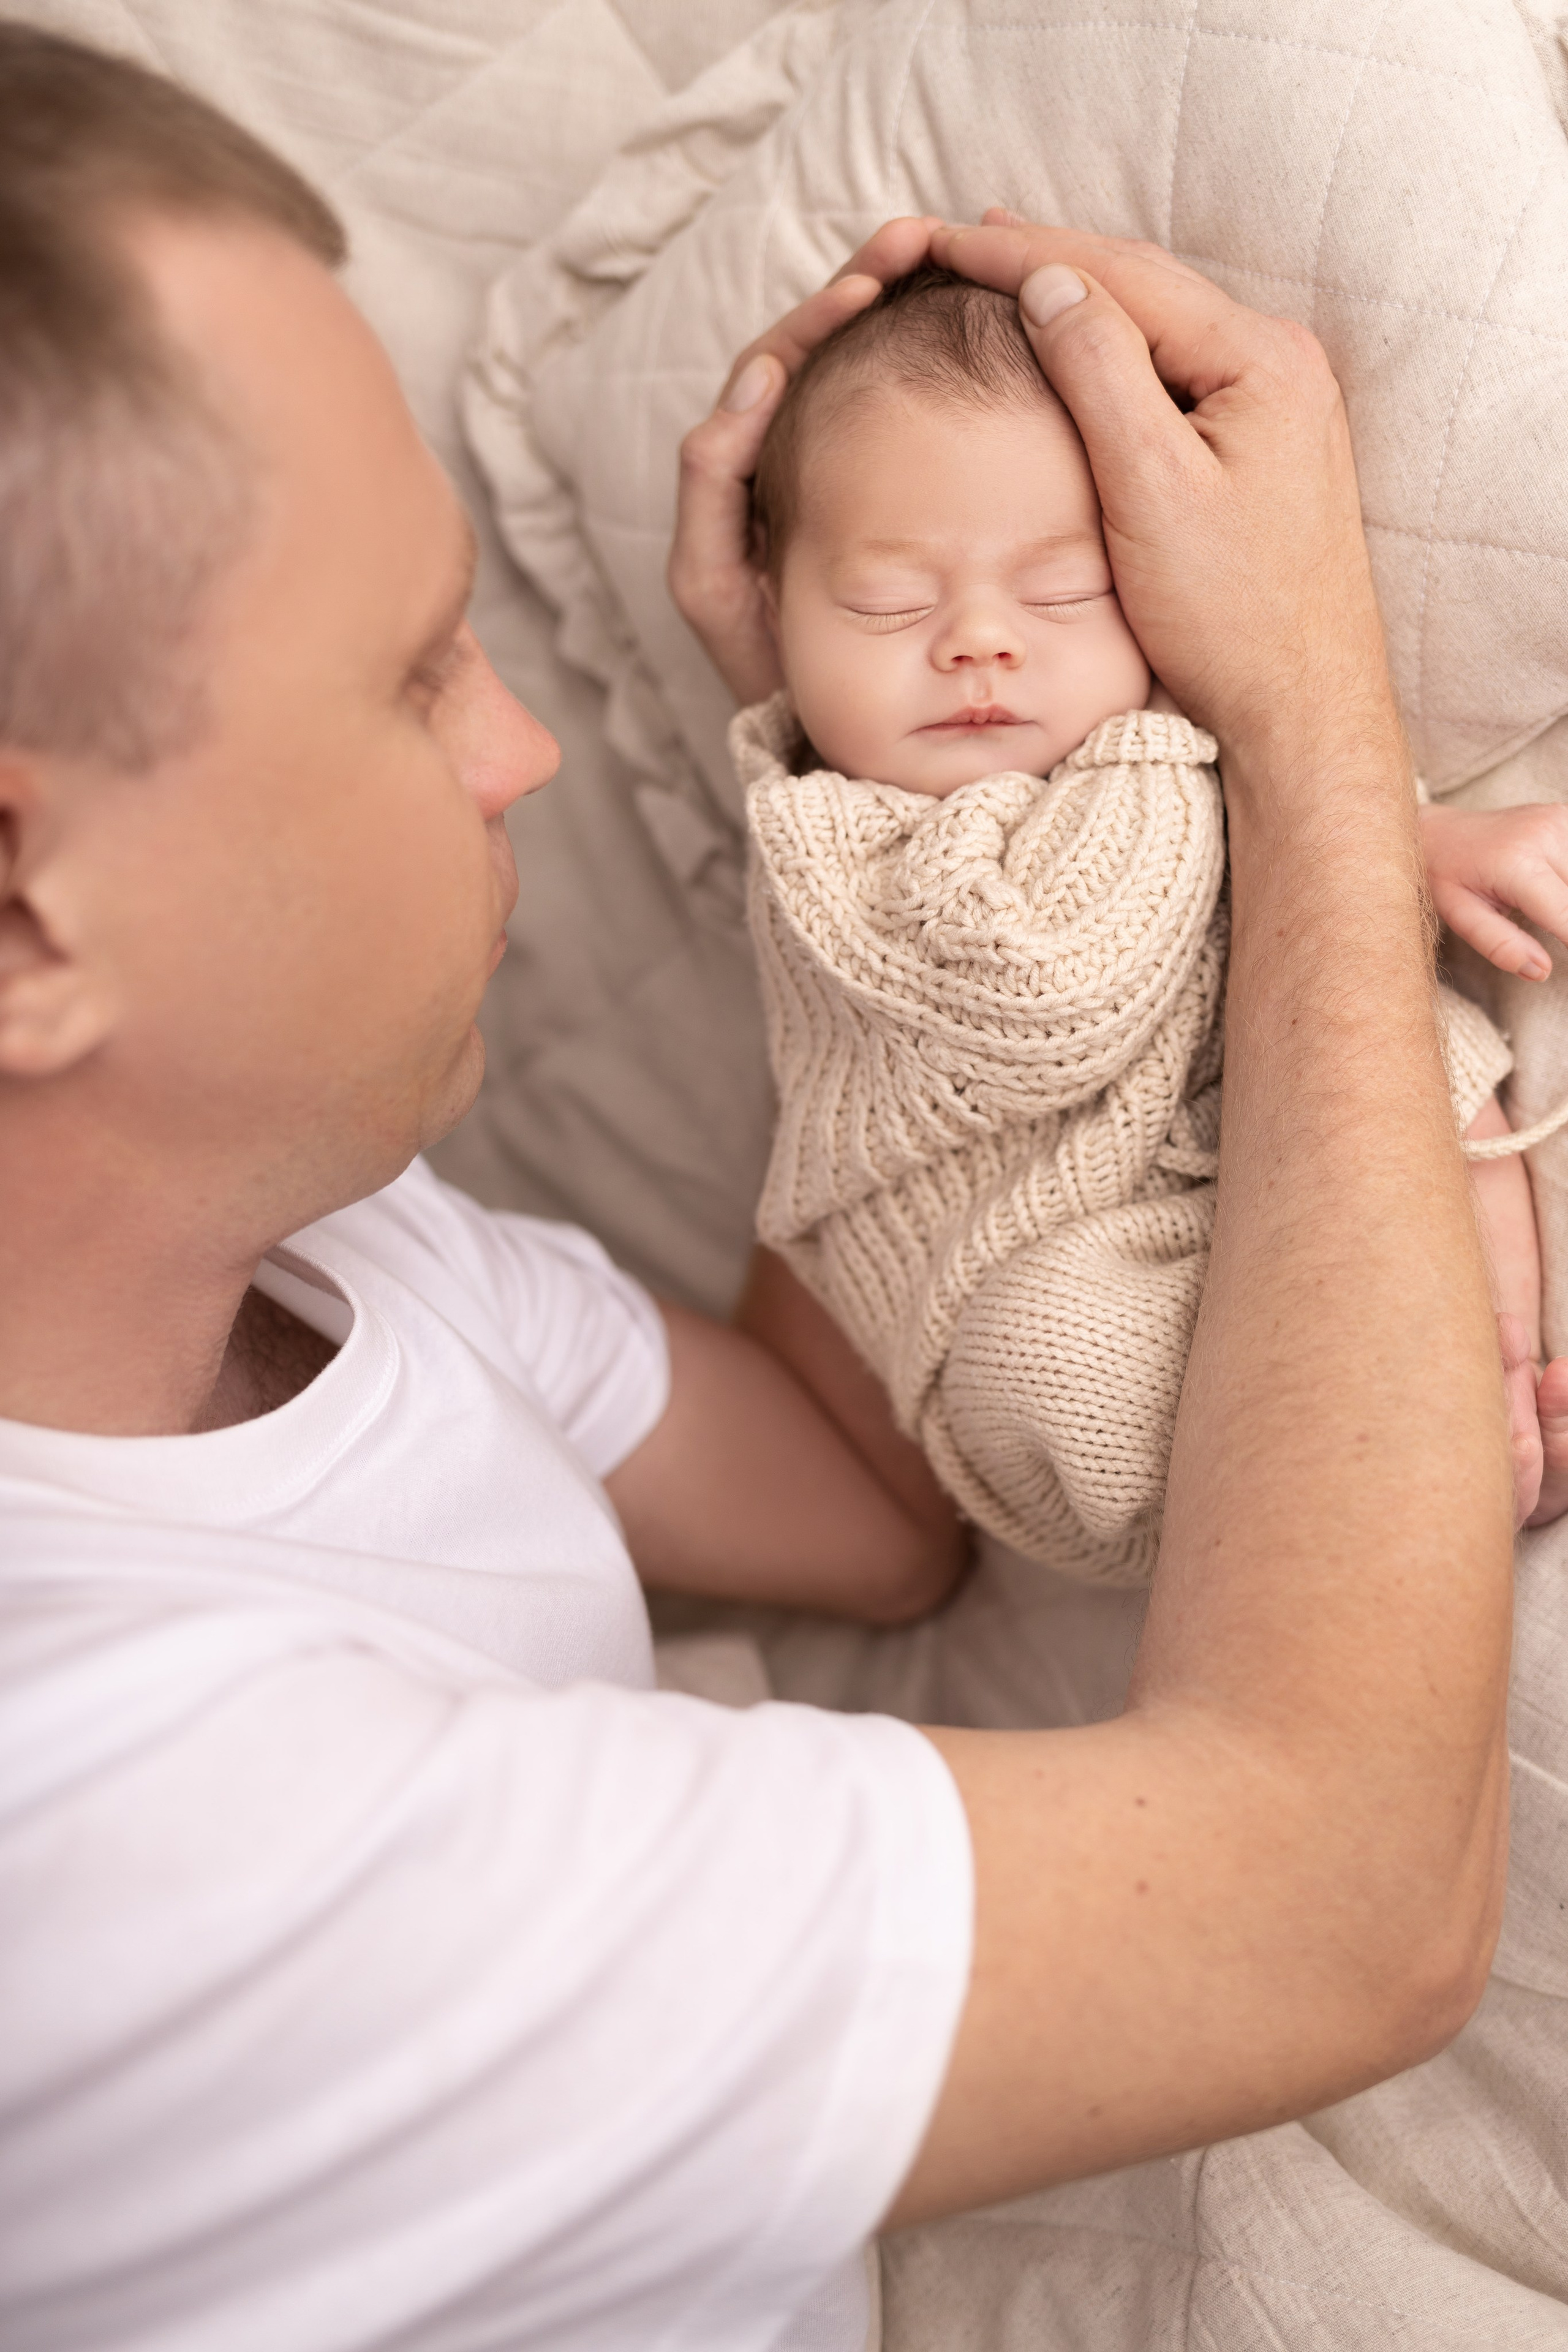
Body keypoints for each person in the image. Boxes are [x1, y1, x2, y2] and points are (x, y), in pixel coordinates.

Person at [0, 32, 1518, 2352]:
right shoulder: (118, 1839)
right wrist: (1309, 723)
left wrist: (845, 767)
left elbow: (868, 1494)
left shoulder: (320, 1246)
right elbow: (1350, 1901)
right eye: (413, 677)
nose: (522, 745)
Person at [715, 262, 1568, 1579]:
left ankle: (1494, 1368)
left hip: (1242, 1150)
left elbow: (1286, 825)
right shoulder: (835, 842)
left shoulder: (1146, 746)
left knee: (1428, 1059)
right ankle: (1384, 1455)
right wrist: (1222, 739)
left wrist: (1419, 838)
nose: (979, 642)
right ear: (776, 614)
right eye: (888, 601)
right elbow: (1061, 989)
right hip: (1036, 1263)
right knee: (1052, 1356)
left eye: (1064, 591)